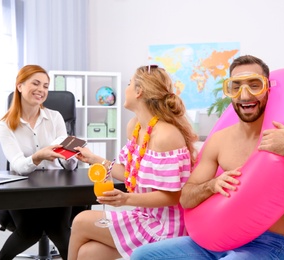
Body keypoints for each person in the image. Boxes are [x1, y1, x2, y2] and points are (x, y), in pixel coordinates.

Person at [130, 55, 284, 260]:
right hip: (217, 241)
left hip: (270, 244)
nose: (245, 95)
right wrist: (212, 185)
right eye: (236, 87)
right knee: (142, 255)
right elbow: (186, 198)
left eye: (255, 85)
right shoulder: (219, 141)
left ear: (268, 89)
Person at [67, 65, 198, 260]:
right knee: (88, 253)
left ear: (139, 91)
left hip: (166, 228)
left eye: (129, 84)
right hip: (144, 217)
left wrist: (125, 199)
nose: (125, 89)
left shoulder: (167, 135)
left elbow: (172, 197)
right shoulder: (134, 127)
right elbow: (130, 173)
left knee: (80, 220)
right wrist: (94, 159)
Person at [0, 65, 78, 260]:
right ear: (20, 86)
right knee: (30, 231)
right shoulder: (5, 125)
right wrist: (39, 156)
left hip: (55, 187)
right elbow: (18, 165)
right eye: (36, 83)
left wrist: (70, 156)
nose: (41, 89)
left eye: (46, 86)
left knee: (61, 233)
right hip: (23, 189)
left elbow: (70, 167)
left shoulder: (55, 117)